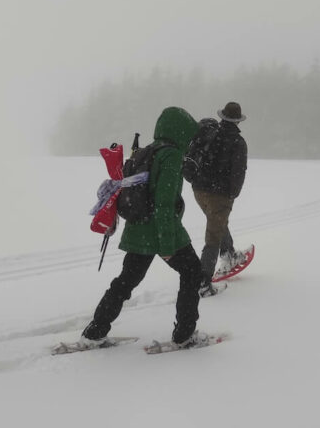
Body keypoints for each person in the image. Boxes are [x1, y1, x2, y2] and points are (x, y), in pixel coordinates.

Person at [80, 106, 203, 347]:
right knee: (192, 272)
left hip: (138, 230)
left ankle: (95, 332)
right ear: (181, 133)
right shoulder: (172, 156)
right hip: (160, 230)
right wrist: (167, 243)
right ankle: (185, 335)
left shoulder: (147, 151)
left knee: (125, 281)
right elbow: (164, 204)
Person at [190, 101, 248, 297]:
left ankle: (229, 254)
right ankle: (203, 283)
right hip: (219, 195)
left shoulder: (209, 133)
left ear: (223, 117)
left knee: (217, 222)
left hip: (198, 191)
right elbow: (238, 173)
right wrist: (232, 194)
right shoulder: (238, 143)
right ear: (238, 121)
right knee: (213, 236)